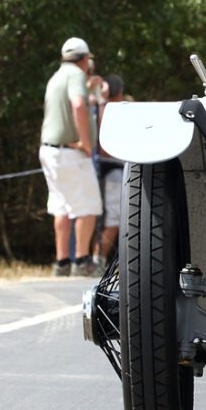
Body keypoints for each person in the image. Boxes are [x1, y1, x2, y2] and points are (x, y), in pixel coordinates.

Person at [40, 37, 103, 277]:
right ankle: (82, 261)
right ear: (85, 59)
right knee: (88, 207)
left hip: (49, 149)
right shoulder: (76, 75)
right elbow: (78, 105)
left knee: (61, 207)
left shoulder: (57, 76)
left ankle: (62, 262)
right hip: (71, 151)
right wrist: (87, 145)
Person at [93, 74, 127, 267]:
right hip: (112, 171)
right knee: (113, 219)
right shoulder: (109, 111)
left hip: (103, 170)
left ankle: (99, 259)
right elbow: (105, 147)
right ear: (119, 93)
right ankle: (98, 260)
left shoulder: (97, 108)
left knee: (105, 218)